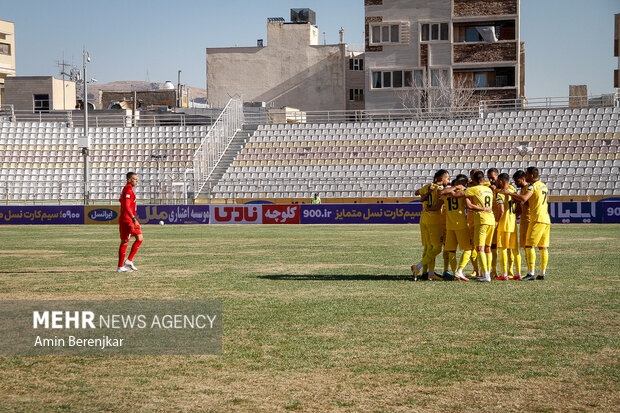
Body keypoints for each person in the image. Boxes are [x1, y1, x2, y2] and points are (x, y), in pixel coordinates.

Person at [429, 174, 482, 281]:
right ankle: (460, 270)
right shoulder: (465, 192)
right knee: (468, 249)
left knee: (451, 251)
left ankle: (455, 274)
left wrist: (452, 188)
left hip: (450, 226)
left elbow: (441, 192)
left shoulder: (447, 192)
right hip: (461, 224)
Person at [501, 166, 550, 280]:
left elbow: (524, 198)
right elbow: (529, 202)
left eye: (527, 175)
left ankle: (531, 273)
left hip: (536, 218)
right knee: (543, 247)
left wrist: (509, 194)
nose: (525, 176)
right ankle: (542, 273)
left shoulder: (532, 186)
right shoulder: (543, 185)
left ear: (531, 176)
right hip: (546, 218)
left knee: (529, 245)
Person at [451, 170, 495, 282]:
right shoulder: (489, 189)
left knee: (479, 248)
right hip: (491, 220)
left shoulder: (473, 189)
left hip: (481, 220)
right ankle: (488, 272)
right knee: (487, 248)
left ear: (474, 180)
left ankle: (485, 275)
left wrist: (461, 191)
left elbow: (457, 196)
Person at [412, 169, 450, 280]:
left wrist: (426, 191)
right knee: (437, 248)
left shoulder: (428, 186)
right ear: (441, 179)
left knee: (429, 247)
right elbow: (438, 206)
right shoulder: (441, 190)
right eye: (447, 178)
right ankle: (418, 267)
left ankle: (427, 273)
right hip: (434, 220)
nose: (448, 180)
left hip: (423, 219)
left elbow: (417, 192)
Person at [494, 173, 519, 281]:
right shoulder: (513, 190)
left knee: (502, 249)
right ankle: (517, 273)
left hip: (504, 225)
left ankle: (504, 274)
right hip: (513, 224)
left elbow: (502, 210)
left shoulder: (499, 194)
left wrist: (496, 222)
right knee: (514, 250)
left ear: (500, 181)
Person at [117, 172, 143, 272]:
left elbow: (121, 200)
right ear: (129, 179)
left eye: (137, 179)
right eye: (135, 179)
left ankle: (129, 261)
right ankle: (120, 267)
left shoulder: (128, 189)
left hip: (131, 219)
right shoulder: (128, 190)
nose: (137, 181)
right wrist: (133, 218)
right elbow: (127, 206)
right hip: (127, 220)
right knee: (124, 241)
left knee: (140, 237)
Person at [511, 170, 528, 280]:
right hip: (523, 221)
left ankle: (530, 271)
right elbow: (521, 207)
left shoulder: (529, 189)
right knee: (524, 247)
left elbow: (524, 200)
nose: (516, 183)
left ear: (523, 179)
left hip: (530, 220)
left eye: (517, 181)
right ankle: (522, 272)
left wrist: (511, 194)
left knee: (528, 247)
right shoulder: (522, 189)